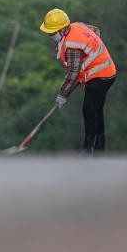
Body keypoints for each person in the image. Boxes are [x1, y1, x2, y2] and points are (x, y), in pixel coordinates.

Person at [39, 8, 117, 153]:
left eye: (52, 32)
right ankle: (99, 150)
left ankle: (89, 149)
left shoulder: (72, 46)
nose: (50, 35)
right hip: (108, 71)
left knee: (89, 110)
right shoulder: (78, 26)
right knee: (96, 110)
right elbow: (96, 30)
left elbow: (73, 73)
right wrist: (90, 55)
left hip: (100, 75)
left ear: (62, 30)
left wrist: (63, 94)